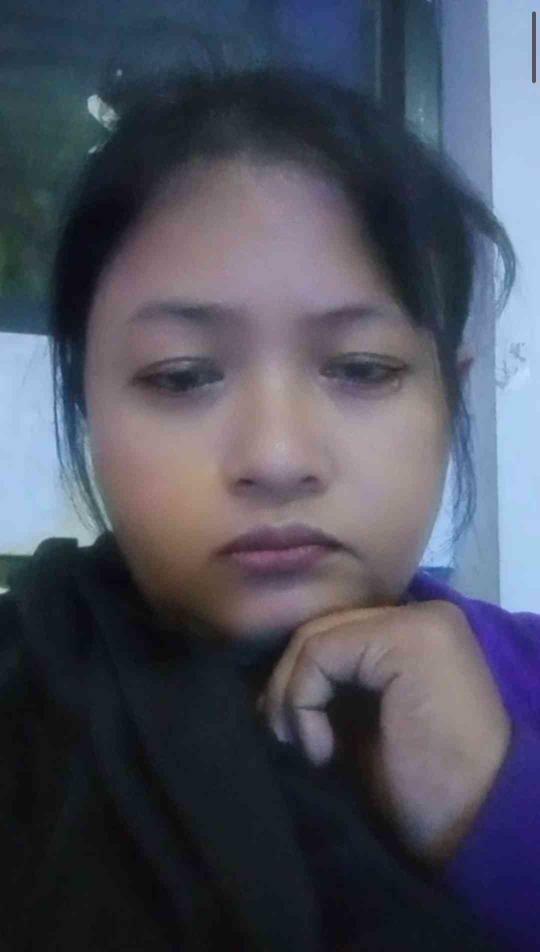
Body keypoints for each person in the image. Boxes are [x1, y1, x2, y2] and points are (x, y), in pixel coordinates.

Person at [1, 62, 538, 952]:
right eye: (183, 377)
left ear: (452, 398)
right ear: (88, 404)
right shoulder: (27, 699)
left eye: (362, 369)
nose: (277, 458)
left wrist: (499, 809)